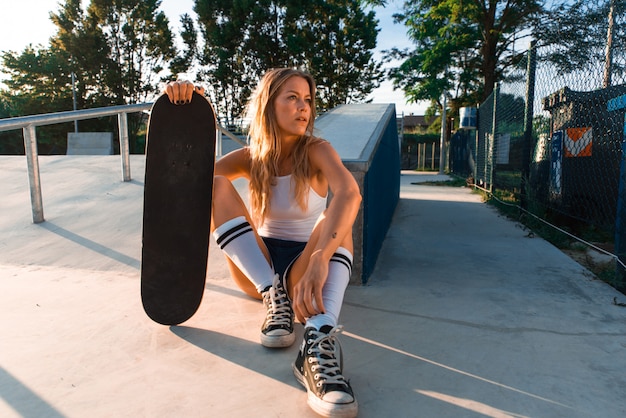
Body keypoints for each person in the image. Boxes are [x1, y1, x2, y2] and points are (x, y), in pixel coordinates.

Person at [165, 68, 361, 418]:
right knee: (215, 185)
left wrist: (319, 258)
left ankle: (317, 341)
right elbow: (190, 178)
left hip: (303, 267)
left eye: (308, 100)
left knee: (336, 215)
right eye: (292, 98)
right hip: (260, 268)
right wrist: (185, 105)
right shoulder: (251, 156)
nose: (304, 108)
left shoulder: (317, 150)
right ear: (269, 105)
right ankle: (274, 296)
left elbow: (349, 192)